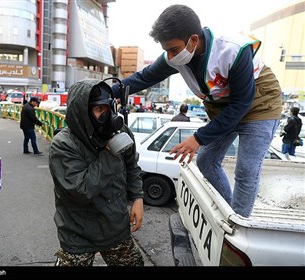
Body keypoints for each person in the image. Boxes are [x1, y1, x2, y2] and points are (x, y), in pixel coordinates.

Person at [112, 4, 281, 218]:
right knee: (206, 161)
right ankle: (229, 212)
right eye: (166, 51)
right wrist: (106, 91)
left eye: (173, 49)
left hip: (259, 102)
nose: (170, 56)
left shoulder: (232, 49)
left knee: (246, 169)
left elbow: (241, 104)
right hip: (225, 105)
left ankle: (239, 226)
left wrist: (198, 138)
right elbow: (143, 78)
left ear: (193, 39)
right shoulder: (176, 57)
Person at [49, 79, 144, 266]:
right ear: (82, 113)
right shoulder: (64, 145)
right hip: (78, 233)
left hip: (114, 226)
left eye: (109, 109)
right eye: (99, 110)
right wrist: (109, 152)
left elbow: (132, 166)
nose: (106, 116)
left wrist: (137, 198)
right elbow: (81, 190)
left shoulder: (119, 132)